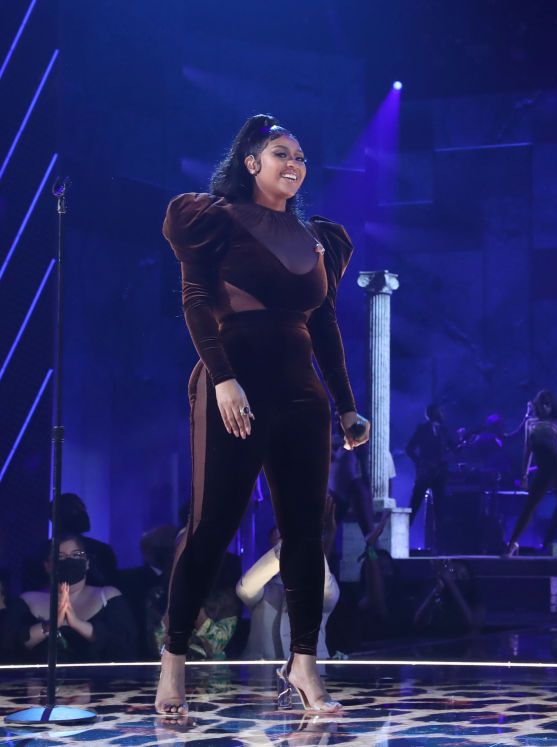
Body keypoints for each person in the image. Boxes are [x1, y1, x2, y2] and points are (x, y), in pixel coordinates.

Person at [158, 113, 369, 717]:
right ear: (252, 163)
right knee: (211, 527)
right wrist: (223, 379)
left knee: (305, 531)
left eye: (300, 155)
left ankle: (304, 662)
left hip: (303, 394)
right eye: (281, 153)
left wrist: (349, 408)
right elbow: (196, 301)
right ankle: (172, 660)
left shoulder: (317, 239)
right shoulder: (213, 220)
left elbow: (326, 327)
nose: (294, 163)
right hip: (235, 385)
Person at [2, 534, 137, 663]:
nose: (69, 560)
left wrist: (78, 624)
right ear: (48, 565)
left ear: (87, 563)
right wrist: (50, 625)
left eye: (76, 555)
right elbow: (9, 645)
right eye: (60, 557)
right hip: (40, 684)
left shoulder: (107, 597)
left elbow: (124, 648)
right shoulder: (27, 601)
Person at [236, 526, 340, 661]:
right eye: (281, 539)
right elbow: (245, 589)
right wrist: (282, 551)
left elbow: (328, 593)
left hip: (311, 673)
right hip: (261, 676)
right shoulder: (264, 588)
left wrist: (311, 542)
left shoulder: (319, 587)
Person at [504, 391, 557, 557]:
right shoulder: (530, 424)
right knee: (529, 506)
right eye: (542, 404)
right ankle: (512, 544)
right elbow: (527, 450)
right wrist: (524, 475)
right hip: (543, 468)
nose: (544, 407)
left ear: (551, 406)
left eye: (547, 404)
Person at [119, 524, 177, 658]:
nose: (169, 552)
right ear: (146, 551)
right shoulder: (126, 580)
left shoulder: (184, 580)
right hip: (139, 655)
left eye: (171, 546)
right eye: (162, 546)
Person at [406, 404, 456, 546]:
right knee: (414, 506)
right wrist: (420, 463)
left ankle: (440, 546)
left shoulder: (444, 430)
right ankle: (400, 539)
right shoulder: (422, 428)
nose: (443, 413)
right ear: (434, 412)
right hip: (424, 473)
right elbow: (409, 448)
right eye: (440, 410)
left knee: (440, 511)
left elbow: (454, 448)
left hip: (440, 475)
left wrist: (462, 440)